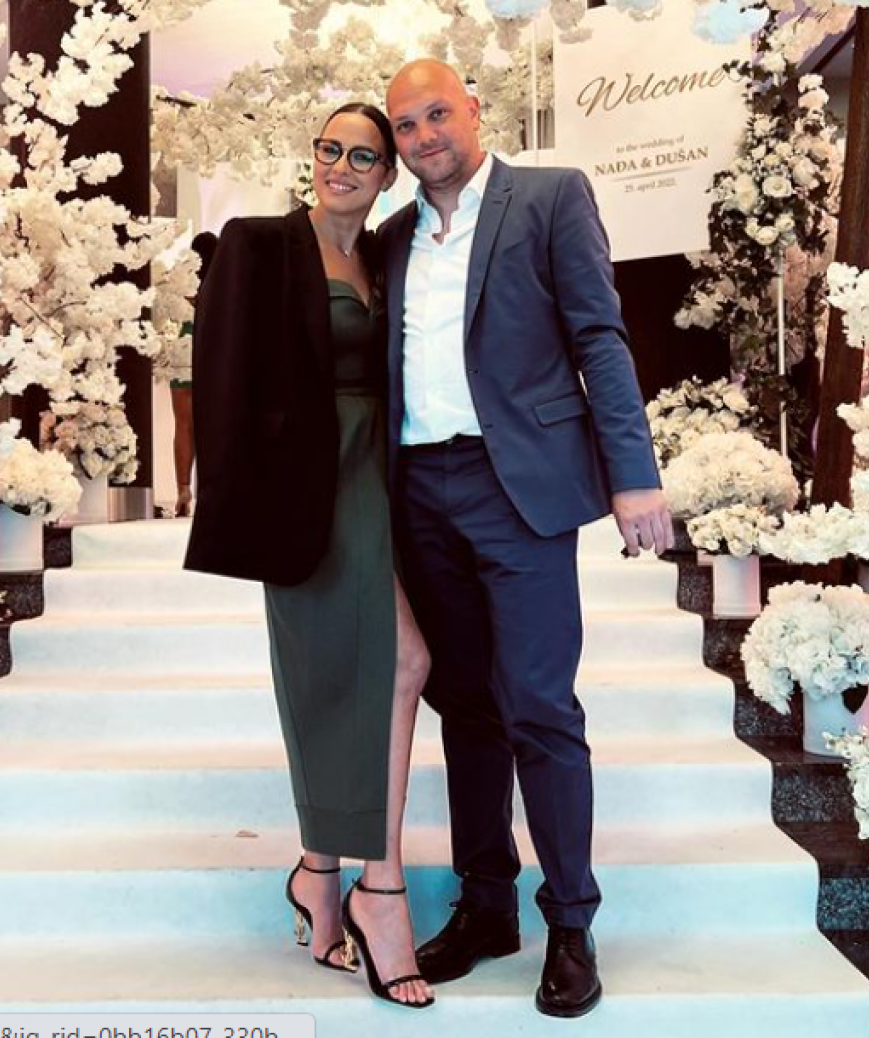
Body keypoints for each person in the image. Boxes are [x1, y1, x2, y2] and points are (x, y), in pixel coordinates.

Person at [380, 60, 674, 1019]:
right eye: (406, 124)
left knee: (539, 705)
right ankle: (486, 907)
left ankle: (572, 924)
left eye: (437, 114)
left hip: (518, 488)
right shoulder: (392, 237)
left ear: (475, 111)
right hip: (418, 489)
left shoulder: (549, 198)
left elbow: (599, 337)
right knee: (465, 706)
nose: (424, 136)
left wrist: (633, 472)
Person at [184, 102, 435, 1009]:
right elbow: (220, 378)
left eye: (363, 156)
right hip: (304, 490)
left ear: (388, 175)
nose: (340, 166)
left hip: (380, 478)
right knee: (378, 666)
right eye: (330, 148)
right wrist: (235, 508)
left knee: (377, 667)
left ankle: (320, 875)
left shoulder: (386, 256)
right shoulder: (258, 243)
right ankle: (380, 888)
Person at [170, 230, 217, 518]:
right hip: (212, 349)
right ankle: (211, 488)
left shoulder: (183, 284)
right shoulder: (221, 282)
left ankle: (183, 488)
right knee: (214, 424)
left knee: (183, 424)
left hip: (183, 349)